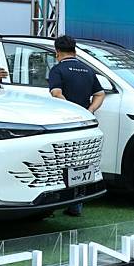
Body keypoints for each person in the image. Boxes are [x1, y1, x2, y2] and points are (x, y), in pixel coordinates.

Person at [49, 35, 106, 216]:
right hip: (86, 124)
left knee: (61, 163)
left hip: (65, 124)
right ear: (74, 50)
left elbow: (56, 93)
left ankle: (57, 203)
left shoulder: (58, 70)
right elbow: (100, 94)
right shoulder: (87, 70)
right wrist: (88, 111)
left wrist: (71, 111)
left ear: (57, 52)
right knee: (82, 162)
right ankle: (77, 204)